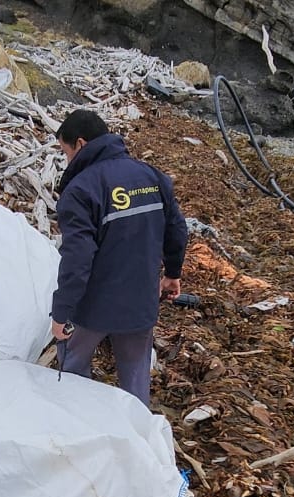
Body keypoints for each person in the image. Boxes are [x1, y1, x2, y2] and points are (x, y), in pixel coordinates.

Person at [49, 110, 188, 406]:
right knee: (136, 377)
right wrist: (172, 274)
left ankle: (75, 429)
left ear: (81, 144)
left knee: (71, 368)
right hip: (141, 300)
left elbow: (78, 257)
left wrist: (61, 312)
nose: (67, 161)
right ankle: (136, 438)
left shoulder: (80, 190)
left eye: (66, 152)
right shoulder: (151, 176)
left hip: (94, 306)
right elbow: (176, 228)